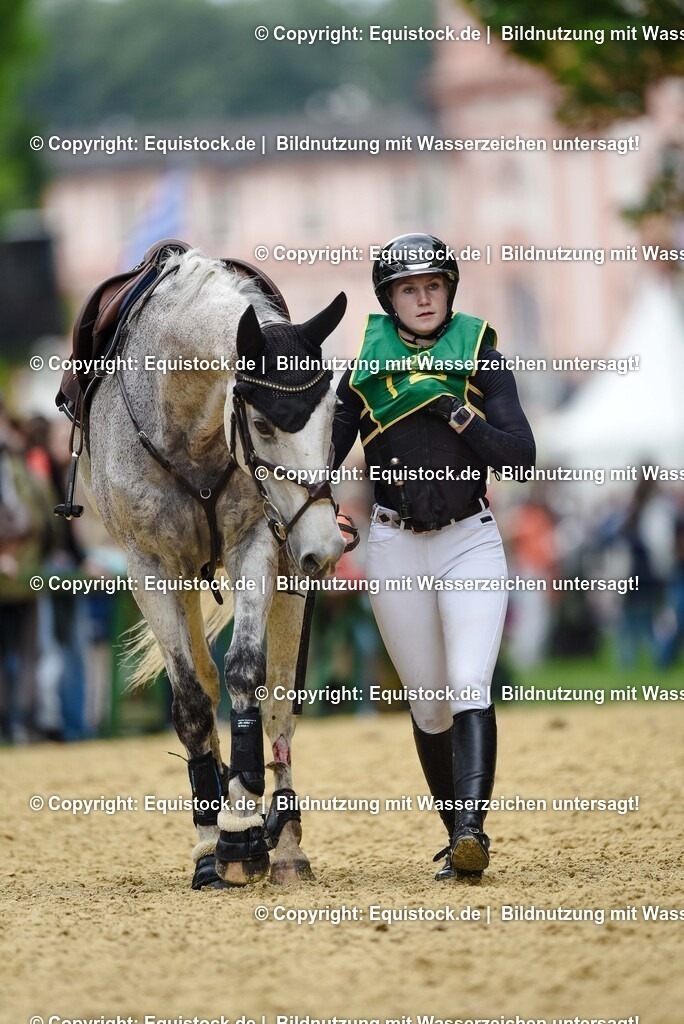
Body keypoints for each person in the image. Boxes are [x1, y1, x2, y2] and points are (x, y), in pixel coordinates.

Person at [332, 233, 536, 879]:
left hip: (468, 539)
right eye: (408, 288)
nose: (423, 298)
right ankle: (458, 839)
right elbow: (320, 464)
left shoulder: (484, 359)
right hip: (393, 547)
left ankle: (473, 828)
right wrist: (326, 510)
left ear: (449, 290)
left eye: (433, 286)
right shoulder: (360, 374)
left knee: (470, 683)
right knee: (427, 703)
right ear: (389, 299)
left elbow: (519, 454)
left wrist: (453, 411)